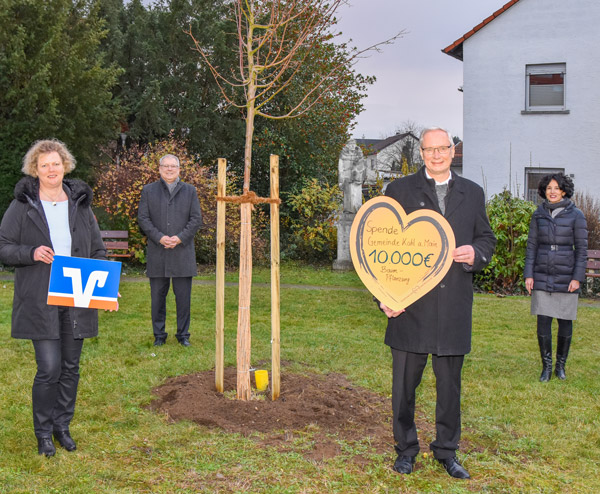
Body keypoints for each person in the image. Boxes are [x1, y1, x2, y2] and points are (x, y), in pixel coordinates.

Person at [379, 127, 496, 479]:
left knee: (449, 389)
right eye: (429, 149)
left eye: (442, 148)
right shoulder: (398, 191)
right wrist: (384, 297)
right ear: (421, 154)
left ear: (452, 150)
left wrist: (476, 252)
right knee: (403, 389)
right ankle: (406, 449)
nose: (436, 155)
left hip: (452, 309)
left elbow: (486, 238)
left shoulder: (472, 193)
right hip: (409, 307)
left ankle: (447, 451)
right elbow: (378, 247)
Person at [0, 139, 109, 456]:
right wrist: (30, 252)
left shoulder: (80, 203)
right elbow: (4, 246)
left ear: (65, 166)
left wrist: (103, 282)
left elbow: (97, 250)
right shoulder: (23, 205)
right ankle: (44, 433)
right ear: (35, 169)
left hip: (77, 293)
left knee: (71, 366)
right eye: (44, 164)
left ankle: (63, 426)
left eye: (56, 163)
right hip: (39, 297)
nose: (51, 169)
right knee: (49, 367)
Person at [524, 173, 587, 382]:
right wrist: (529, 274)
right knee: (543, 322)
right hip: (542, 273)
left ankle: (560, 366)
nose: (552, 191)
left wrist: (577, 277)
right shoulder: (538, 214)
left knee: (565, 322)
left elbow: (582, 248)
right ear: (544, 191)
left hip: (566, 274)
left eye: (556, 188)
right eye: (549, 188)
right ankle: (546, 367)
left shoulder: (576, 215)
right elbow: (532, 245)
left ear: (564, 191)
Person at [138, 154, 202, 347]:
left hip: (183, 254)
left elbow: (196, 219)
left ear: (179, 169)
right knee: (157, 299)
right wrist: (159, 237)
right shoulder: (148, 191)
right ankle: (159, 335)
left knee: (183, 299)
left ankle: (183, 335)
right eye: (165, 166)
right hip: (158, 254)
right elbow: (143, 219)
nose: (169, 169)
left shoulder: (190, 191)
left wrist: (180, 238)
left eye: (173, 166)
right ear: (159, 169)